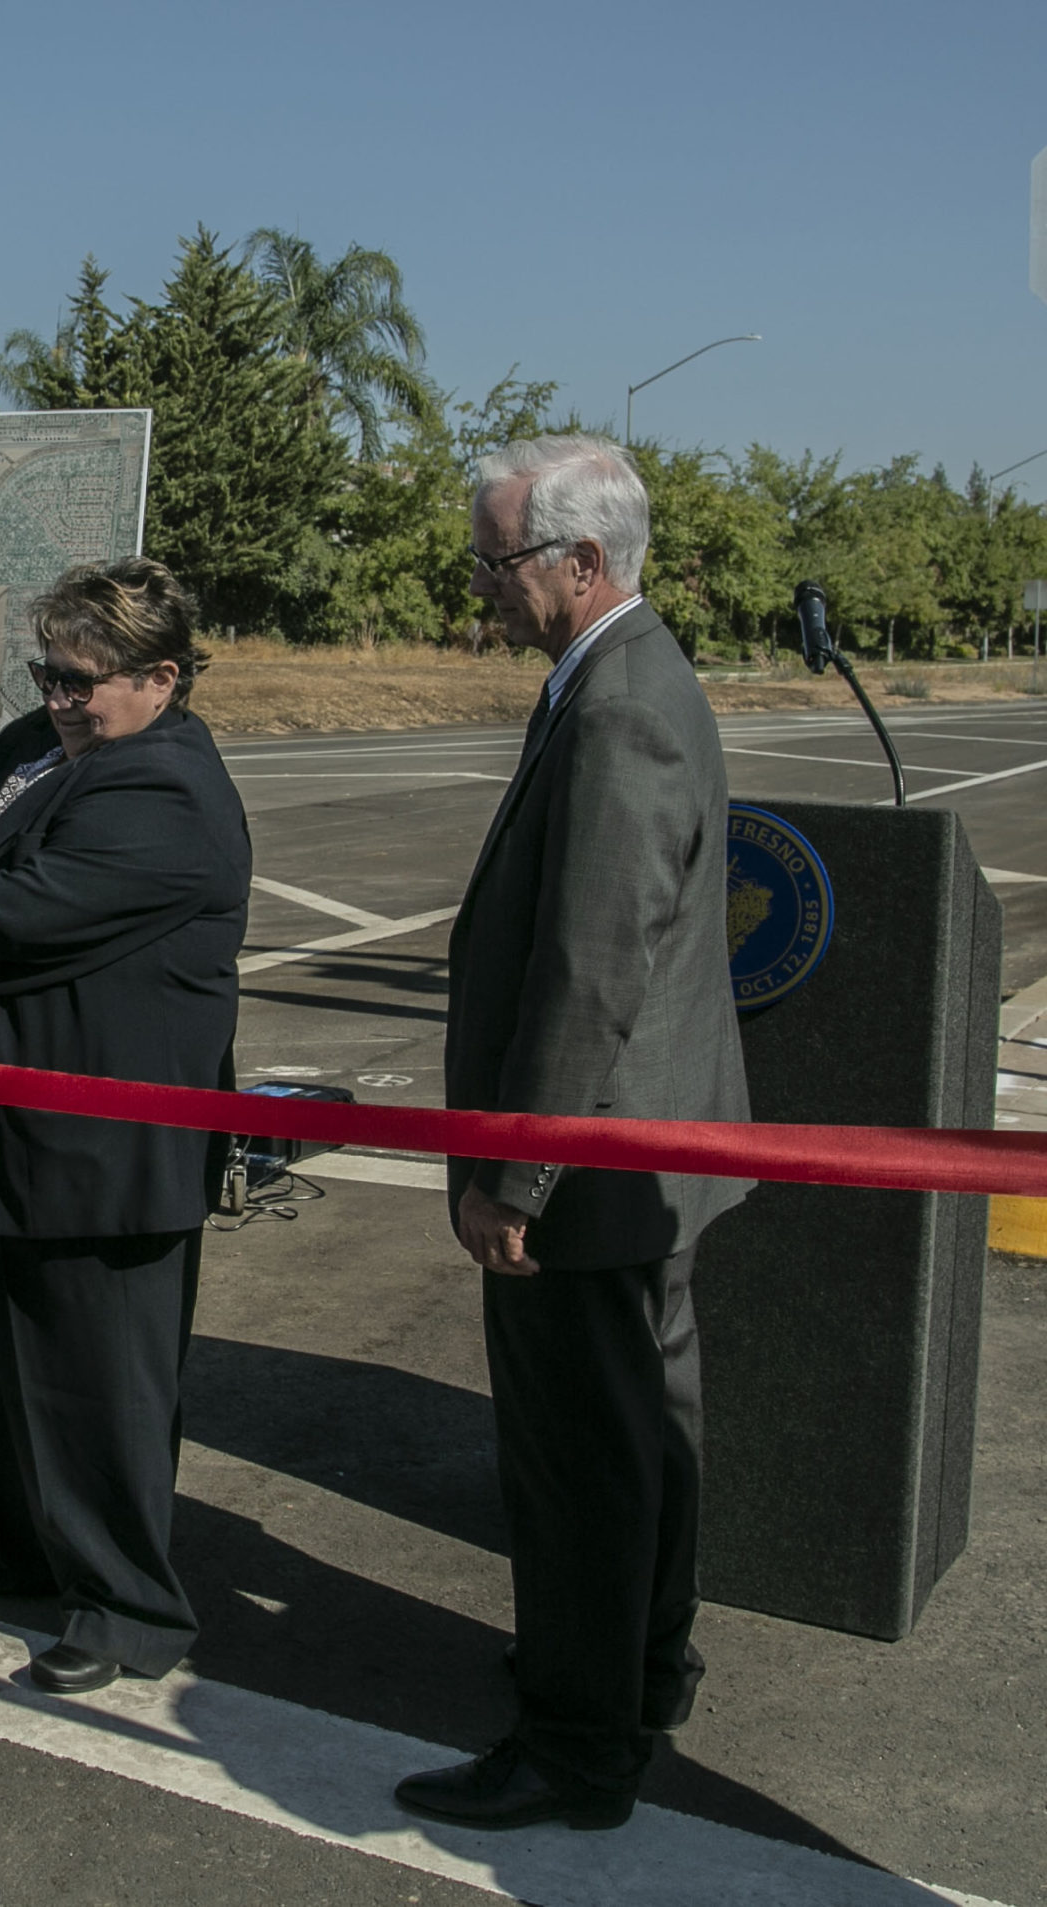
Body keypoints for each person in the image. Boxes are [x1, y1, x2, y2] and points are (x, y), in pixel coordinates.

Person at [395, 436, 750, 1831]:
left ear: (581, 561)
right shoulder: (621, 673)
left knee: (583, 1463)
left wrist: (512, 1172)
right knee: (642, 1439)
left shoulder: (620, 706)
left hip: (591, 1163)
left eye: (498, 562)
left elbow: (596, 962)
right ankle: (638, 1667)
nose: (482, 586)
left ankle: (577, 1739)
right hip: (643, 1154)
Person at [0, 557, 249, 1695]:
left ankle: (128, 1607)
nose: (59, 698)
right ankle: (13, 1547)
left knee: (97, 1385)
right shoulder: (62, 741)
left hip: (99, 1148)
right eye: (48, 672)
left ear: (161, 677)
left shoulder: (159, 784)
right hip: (5, 1122)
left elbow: (11, 913)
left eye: (83, 680)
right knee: (7, 1368)